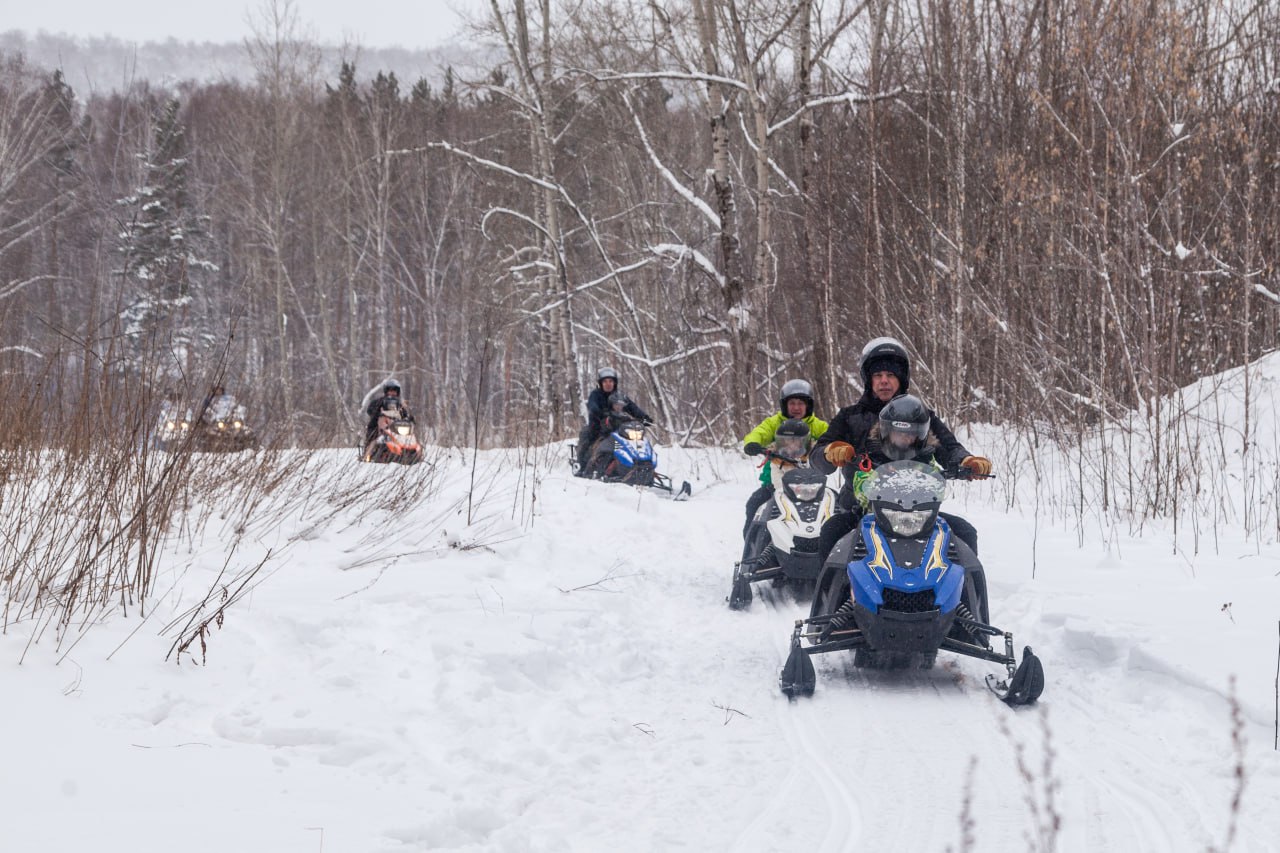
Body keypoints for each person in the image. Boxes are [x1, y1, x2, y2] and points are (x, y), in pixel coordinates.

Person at [810, 338, 991, 562]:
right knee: (832, 531)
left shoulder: (922, 416)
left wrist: (966, 461)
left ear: (902, 378)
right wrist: (830, 451)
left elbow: (948, 447)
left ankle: (965, 585)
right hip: (860, 509)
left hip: (919, 511)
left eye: (891, 375)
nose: (884, 381)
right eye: (878, 375)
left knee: (964, 532)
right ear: (868, 379)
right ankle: (828, 585)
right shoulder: (850, 417)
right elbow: (816, 457)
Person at [740, 379, 829, 536]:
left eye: (800, 403)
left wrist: (838, 448)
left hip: (811, 484)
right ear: (784, 405)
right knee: (755, 504)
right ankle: (751, 544)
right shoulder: (775, 423)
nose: (796, 407)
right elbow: (760, 432)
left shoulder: (817, 425)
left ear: (808, 405)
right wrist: (752, 443)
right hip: (774, 483)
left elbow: (832, 436)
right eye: (792, 403)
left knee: (833, 508)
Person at [575, 367, 651, 476]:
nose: (608, 384)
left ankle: (639, 465)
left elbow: (632, 407)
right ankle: (581, 466)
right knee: (586, 435)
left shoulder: (619, 396)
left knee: (635, 440)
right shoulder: (595, 394)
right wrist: (598, 412)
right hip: (598, 426)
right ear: (600, 383)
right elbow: (592, 405)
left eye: (610, 381)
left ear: (614, 383)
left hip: (617, 427)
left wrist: (644, 417)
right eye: (605, 381)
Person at [584, 391, 654, 477]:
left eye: (621, 405)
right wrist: (606, 423)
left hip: (624, 438)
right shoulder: (607, 414)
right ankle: (594, 469)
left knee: (637, 446)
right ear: (612, 405)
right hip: (608, 437)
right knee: (604, 448)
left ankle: (643, 465)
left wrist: (642, 421)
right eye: (616, 405)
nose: (619, 407)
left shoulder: (625, 416)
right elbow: (603, 424)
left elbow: (632, 423)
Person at [365, 379, 413, 447]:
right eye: (390, 391)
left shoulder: (400, 404)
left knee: (410, 438)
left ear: (398, 392)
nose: (392, 393)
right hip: (378, 428)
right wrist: (377, 413)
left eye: (394, 391)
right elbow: (370, 410)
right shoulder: (378, 401)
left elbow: (405, 414)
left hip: (397, 429)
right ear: (386, 391)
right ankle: (369, 451)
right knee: (372, 439)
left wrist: (409, 418)